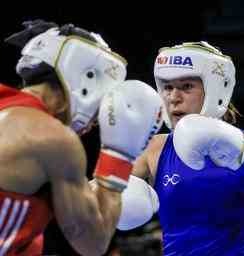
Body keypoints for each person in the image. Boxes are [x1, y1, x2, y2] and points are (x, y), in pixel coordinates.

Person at [0, 20, 163, 256]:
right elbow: (92, 243)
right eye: (103, 103)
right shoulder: (54, 139)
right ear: (87, 78)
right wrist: (119, 156)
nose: (97, 120)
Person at [119, 41, 244, 255]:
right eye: (168, 88)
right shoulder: (154, 148)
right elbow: (101, 205)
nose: (174, 98)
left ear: (214, 89)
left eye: (186, 87)